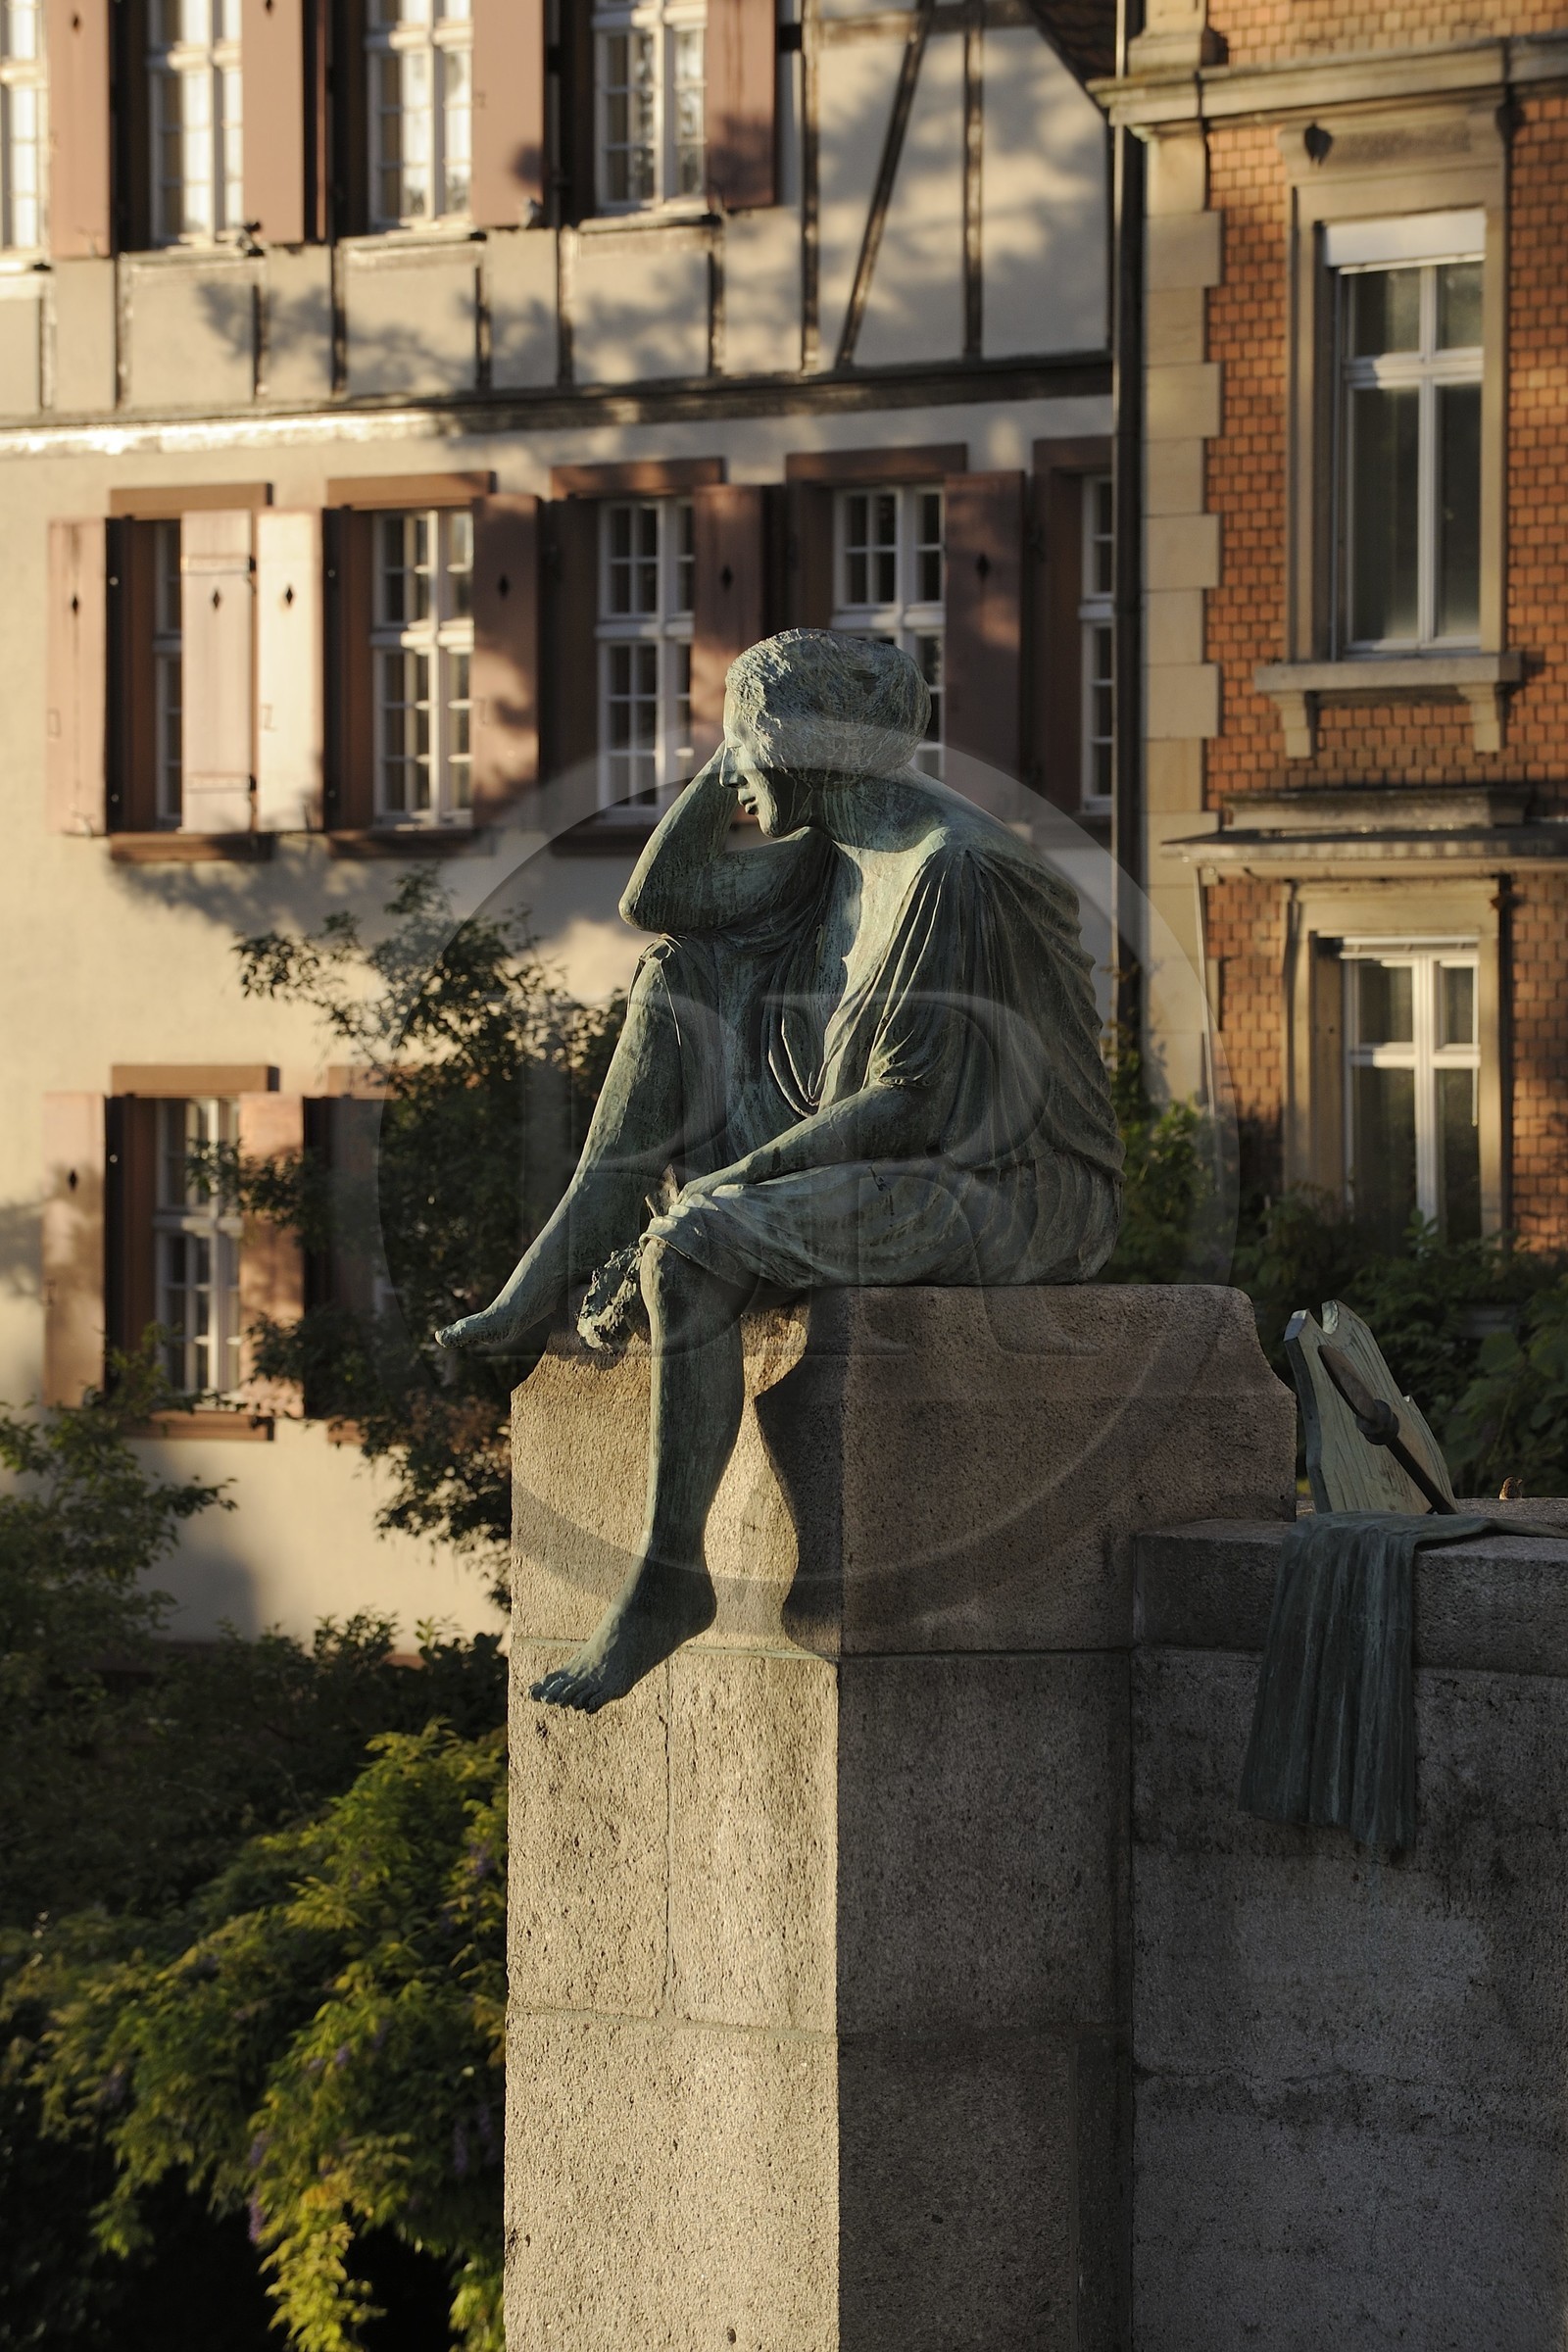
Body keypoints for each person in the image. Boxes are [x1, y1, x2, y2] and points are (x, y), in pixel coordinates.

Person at [437, 629, 1122, 1712]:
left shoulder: (953, 869)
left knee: (697, 1244)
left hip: (1001, 1186)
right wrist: (752, 745)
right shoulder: (833, 843)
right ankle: (537, 1287)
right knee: (677, 979)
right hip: (863, 1131)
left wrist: (728, 1184)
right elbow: (659, 903)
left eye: (739, 750)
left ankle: (669, 1581)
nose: (732, 781)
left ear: (801, 752)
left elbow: (910, 1104)